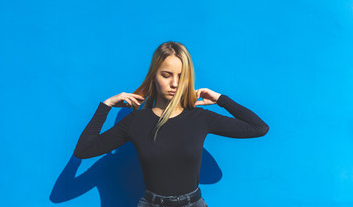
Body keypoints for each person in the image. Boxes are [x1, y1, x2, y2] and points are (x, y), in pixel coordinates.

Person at [73, 41, 269, 207]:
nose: (174, 83)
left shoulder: (200, 118)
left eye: (181, 76)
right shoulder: (135, 121)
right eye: (166, 75)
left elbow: (259, 128)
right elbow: (83, 150)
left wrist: (221, 100)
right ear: (154, 77)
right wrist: (105, 106)